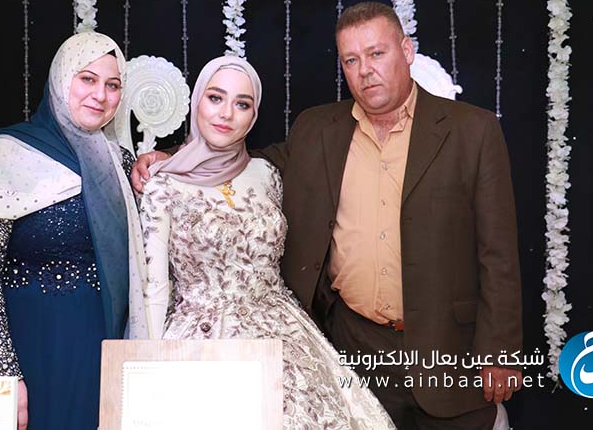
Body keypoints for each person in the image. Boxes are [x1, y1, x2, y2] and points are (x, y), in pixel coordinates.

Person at [133, 3, 523, 429]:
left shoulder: (472, 130)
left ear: (407, 50)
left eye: (376, 54)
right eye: (351, 60)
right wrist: (170, 158)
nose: (365, 71)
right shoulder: (318, 129)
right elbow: (244, 162)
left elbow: (498, 252)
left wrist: (500, 352)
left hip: (447, 348)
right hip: (355, 346)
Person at [130, 55, 396, 429]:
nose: (226, 113)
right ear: (197, 102)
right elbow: (154, 288)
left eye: (242, 104)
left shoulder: (267, 173)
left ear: (253, 116)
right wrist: (146, 366)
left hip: (284, 336)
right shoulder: (163, 185)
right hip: (201, 340)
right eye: (215, 98)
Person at [0, 32, 144, 430]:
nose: (100, 95)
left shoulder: (120, 162)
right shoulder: (3, 156)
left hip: (109, 347)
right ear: (61, 79)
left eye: (113, 85)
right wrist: (2, 376)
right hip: (36, 348)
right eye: (87, 79)